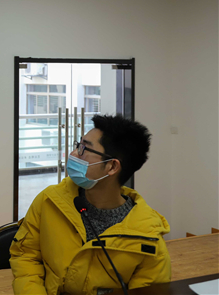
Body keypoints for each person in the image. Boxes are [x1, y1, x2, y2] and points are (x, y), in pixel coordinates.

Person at [10, 114, 171, 295]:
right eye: (78, 145)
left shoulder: (148, 236)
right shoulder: (50, 200)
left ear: (112, 167)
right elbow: (25, 256)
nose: (73, 154)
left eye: (84, 149)